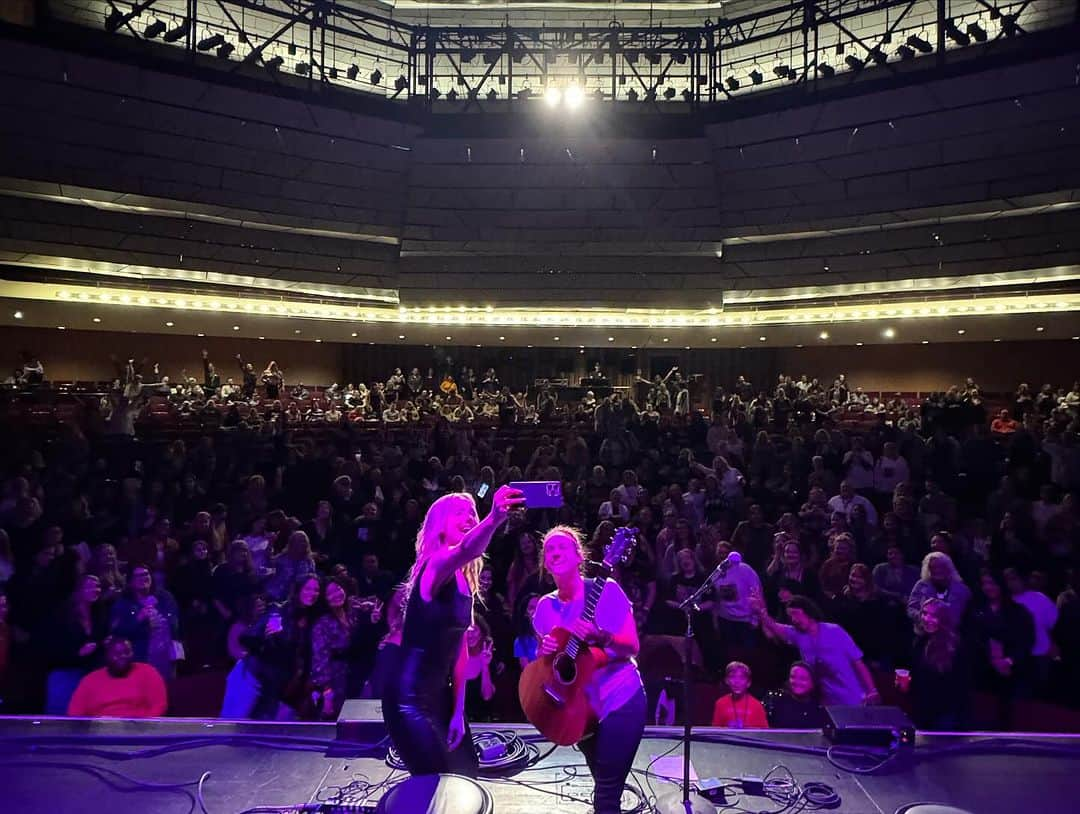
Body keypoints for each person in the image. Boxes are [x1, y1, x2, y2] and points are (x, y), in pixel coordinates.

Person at [382, 485, 524, 776]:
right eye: (460, 513)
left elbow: (458, 651)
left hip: (439, 698)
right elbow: (467, 548)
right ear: (440, 526)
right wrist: (494, 518)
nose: (470, 517)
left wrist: (458, 710)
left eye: (473, 512)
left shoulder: (463, 584)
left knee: (464, 773)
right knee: (434, 781)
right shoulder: (435, 564)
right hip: (408, 699)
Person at [532, 526, 645, 814]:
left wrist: (601, 635)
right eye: (549, 550)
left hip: (621, 699)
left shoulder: (606, 590)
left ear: (579, 556)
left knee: (605, 796)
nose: (554, 553)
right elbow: (549, 665)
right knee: (604, 784)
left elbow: (631, 646)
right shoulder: (544, 607)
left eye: (562, 547)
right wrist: (543, 653)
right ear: (545, 563)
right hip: (582, 712)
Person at [751, 593, 879, 707]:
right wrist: (761, 612)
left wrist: (872, 690)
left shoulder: (834, 631)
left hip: (854, 697)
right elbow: (774, 627)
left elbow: (858, 662)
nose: (793, 620)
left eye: (796, 614)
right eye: (790, 616)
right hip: (828, 701)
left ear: (808, 612)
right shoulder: (798, 635)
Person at [67, 636, 167, 718]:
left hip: (140, 733)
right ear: (107, 656)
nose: (122, 657)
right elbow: (75, 714)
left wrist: (141, 725)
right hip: (101, 735)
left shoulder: (148, 672)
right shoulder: (90, 680)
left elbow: (160, 706)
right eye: (117, 654)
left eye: (126, 652)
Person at [907, 552, 972, 633]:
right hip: (923, 632)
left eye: (940, 566)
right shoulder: (921, 585)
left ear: (948, 568)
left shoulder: (961, 589)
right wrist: (924, 619)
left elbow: (958, 613)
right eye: (933, 567)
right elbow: (911, 609)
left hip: (952, 634)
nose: (937, 570)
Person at [764, 661, 825, 728]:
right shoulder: (775, 701)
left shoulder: (819, 709)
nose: (797, 682)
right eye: (793, 677)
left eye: (803, 679)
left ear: (813, 683)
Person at [711, 661, 768, 729]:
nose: (737, 681)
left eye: (742, 677)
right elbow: (716, 731)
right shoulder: (720, 703)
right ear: (726, 680)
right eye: (732, 677)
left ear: (748, 683)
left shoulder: (757, 705)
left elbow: (764, 733)